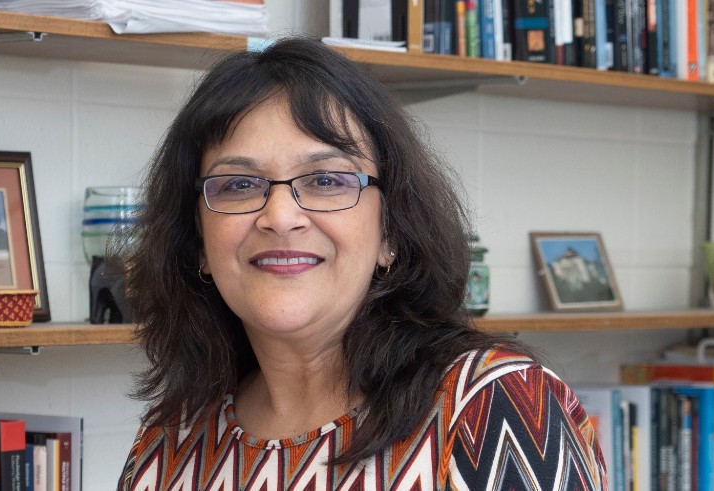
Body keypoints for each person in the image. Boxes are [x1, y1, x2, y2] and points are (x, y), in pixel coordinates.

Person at [119, 38, 606, 489]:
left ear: (389, 233)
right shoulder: (170, 439)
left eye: (327, 180)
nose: (281, 217)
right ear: (200, 243)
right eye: (239, 185)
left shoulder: (490, 406)